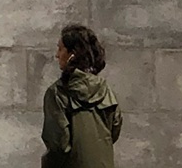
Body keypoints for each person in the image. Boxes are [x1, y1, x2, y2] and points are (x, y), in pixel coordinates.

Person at [41, 24, 122, 168]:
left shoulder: (57, 93)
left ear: (73, 54)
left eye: (60, 49)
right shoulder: (105, 90)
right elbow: (114, 130)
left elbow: (58, 145)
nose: (57, 55)